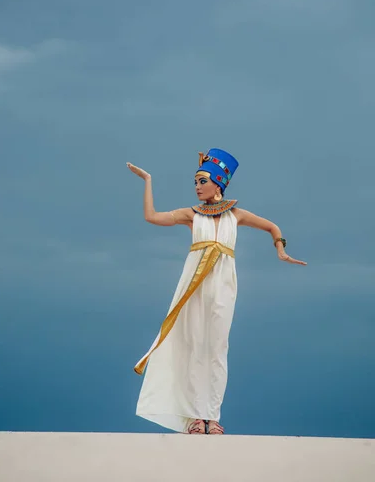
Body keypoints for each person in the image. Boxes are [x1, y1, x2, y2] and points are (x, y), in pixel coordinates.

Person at [127, 148, 307, 435]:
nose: (197, 187)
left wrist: (281, 249)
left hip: (223, 282)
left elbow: (272, 226)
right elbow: (151, 216)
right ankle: (196, 417)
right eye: (195, 182)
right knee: (195, 344)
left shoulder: (236, 214)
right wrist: (148, 180)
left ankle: (212, 416)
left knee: (217, 348)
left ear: (218, 184)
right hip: (194, 282)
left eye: (202, 181)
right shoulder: (191, 214)